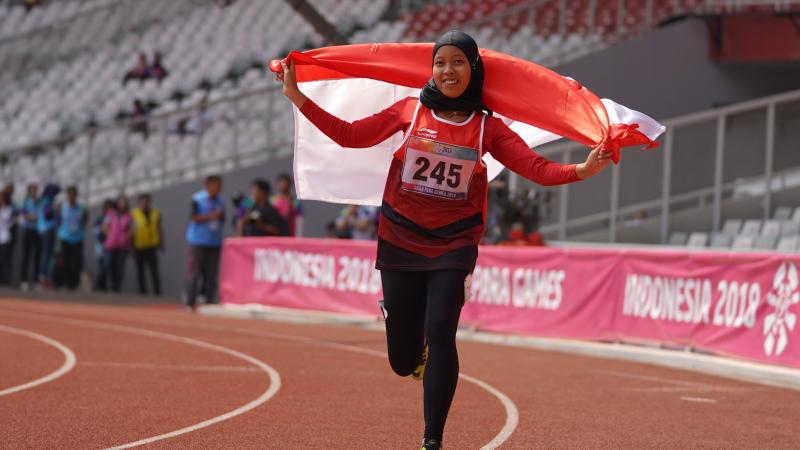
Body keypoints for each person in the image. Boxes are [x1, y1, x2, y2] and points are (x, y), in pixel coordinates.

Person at [276, 30, 613, 449]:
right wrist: (298, 97)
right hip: (400, 236)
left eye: (457, 62)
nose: (447, 70)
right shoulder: (410, 110)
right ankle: (403, 337)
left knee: (441, 331)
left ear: (473, 69)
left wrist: (582, 169)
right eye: (440, 62)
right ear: (431, 69)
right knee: (402, 362)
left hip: (454, 244)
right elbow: (350, 135)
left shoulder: (488, 128)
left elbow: (537, 169)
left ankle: (432, 439)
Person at [185, 175, 225, 309]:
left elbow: (222, 219)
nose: (218, 189)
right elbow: (194, 218)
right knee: (194, 273)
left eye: (220, 186)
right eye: (216, 186)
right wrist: (210, 216)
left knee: (211, 274)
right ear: (208, 185)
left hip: (214, 242)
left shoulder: (221, 201)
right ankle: (190, 302)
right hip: (198, 241)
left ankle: (208, 301)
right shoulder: (197, 199)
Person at [55, 186, 87, 290]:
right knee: (66, 262)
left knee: (77, 262)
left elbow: (84, 221)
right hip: (65, 238)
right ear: (67, 196)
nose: (72, 197)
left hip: (78, 238)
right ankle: (67, 283)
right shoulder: (63, 207)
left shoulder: (81, 208)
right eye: (70, 195)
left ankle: (75, 283)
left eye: (74, 195)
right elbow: (57, 219)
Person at [131, 193, 163, 296]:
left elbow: (159, 228)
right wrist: (130, 247)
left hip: (151, 246)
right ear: (139, 202)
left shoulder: (155, 213)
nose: (144, 203)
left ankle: (157, 293)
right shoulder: (133, 213)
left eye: (146, 201)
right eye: (142, 201)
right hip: (138, 246)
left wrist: (161, 243)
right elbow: (130, 230)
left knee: (154, 271)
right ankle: (142, 293)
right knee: (140, 272)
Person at [103, 195, 132, 292]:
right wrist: (110, 235)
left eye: (125, 202)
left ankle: (117, 287)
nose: (123, 204)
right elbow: (104, 227)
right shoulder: (110, 213)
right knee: (109, 265)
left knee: (120, 268)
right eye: (121, 202)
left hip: (122, 246)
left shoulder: (129, 215)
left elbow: (131, 229)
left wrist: (127, 236)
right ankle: (108, 284)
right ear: (117, 203)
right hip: (111, 245)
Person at [37, 183, 60, 288]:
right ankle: (43, 277)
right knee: (47, 254)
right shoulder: (47, 200)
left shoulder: (43, 200)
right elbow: (47, 215)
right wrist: (55, 210)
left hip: (43, 229)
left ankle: (45, 277)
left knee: (47, 254)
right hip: (47, 229)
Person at [19, 183, 40, 291]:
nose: (34, 192)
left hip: (38, 231)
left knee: (37, 257)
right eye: (32, 190)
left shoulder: (40, 202)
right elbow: (23, 214)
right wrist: (30, 216)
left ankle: (36, 281)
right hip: (28, 231)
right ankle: (24, 281)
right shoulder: (26, 203)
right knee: (26, 256)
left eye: (35, 190)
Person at [93, 199, 115, 291]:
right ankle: (99, 285)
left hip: (110, 246)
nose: (108, 209)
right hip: (101, 247)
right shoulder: (100, 218)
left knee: (108, 267)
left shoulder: (114, 218)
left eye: (110, 207)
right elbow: (96, 232)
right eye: (107, 207)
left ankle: (103, 286)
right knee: (103, 266)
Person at [0, 190, 16, 286]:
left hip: (5, 236)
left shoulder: (10, 209)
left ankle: (5, 280)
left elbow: (11, 222)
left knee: (4, 259)